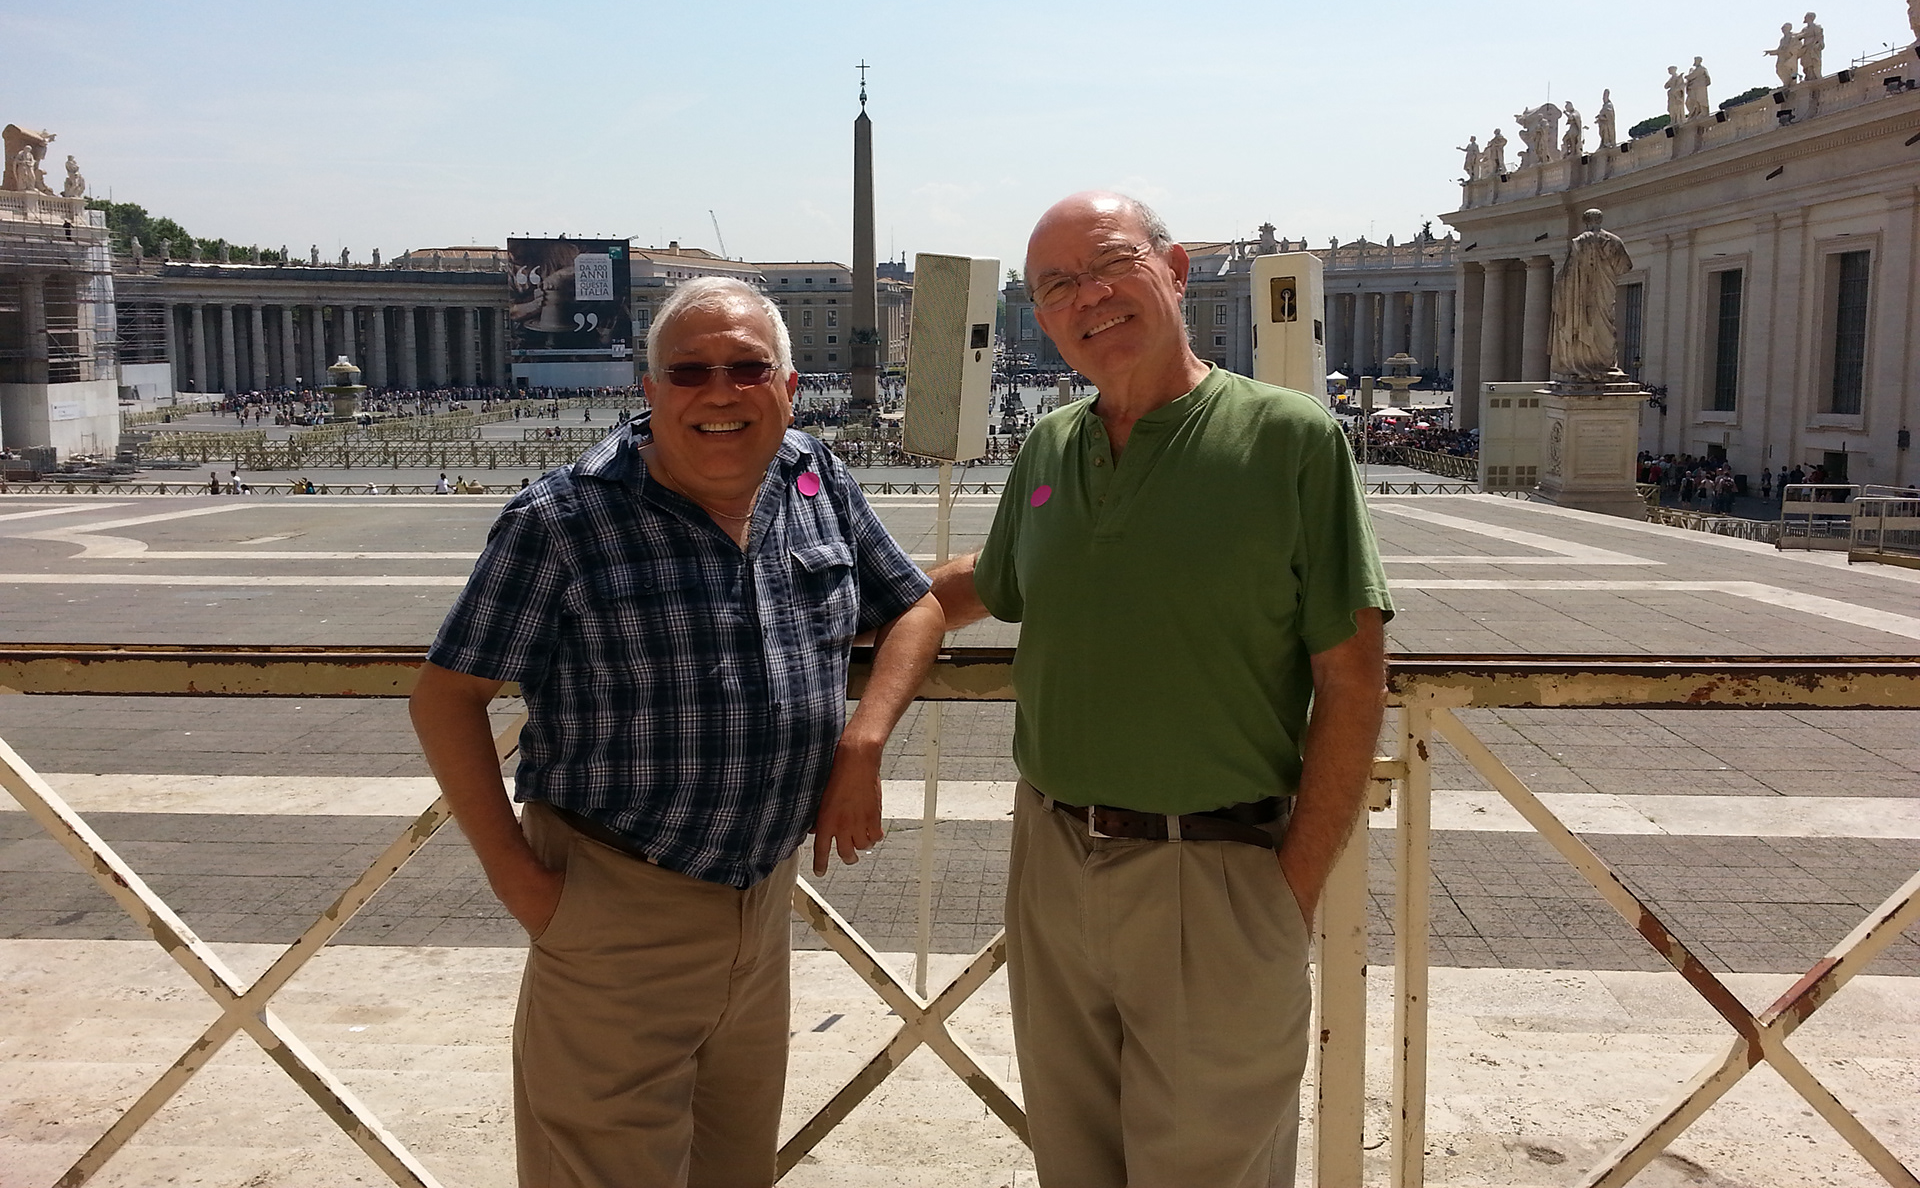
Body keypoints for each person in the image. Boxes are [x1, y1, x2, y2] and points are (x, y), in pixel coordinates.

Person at [410, 275, 944, 1188]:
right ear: (649, 391)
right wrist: (526, 888)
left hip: (764, 902)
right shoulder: (563, 520)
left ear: (786, 384)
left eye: (746, 368)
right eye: (689, 371)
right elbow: (446, 696)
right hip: (616, 905)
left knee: (736, 1169)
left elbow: (915, 608)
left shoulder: (815, 479)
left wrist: (864, 739)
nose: (719, 391)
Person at [931, 191, 1392, 1187]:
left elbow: (1353, 681)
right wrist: (818, 597)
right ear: (1041, 319)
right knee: (1073, 1161)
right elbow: (984, 583)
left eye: (1110, 264)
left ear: (1173, 267)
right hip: (1053, 861)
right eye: (1057, 287)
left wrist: (1288, 895)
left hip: (1216, 868)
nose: (1089, 297)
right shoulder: (1052, 445)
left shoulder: (1290, 440)